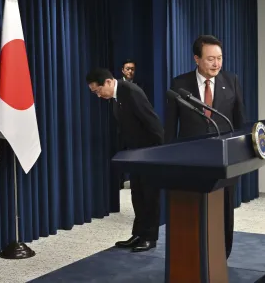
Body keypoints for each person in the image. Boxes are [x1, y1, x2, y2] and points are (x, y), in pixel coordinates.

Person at [164, 35, 246, 258]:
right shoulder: (180, 84)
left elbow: (239, 122)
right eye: (210, 59)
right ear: (196, 59)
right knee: (192, 209)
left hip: (224, 161)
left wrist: (240, 156)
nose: (216, 64)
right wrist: (168, 158)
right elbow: (171, 126)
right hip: (191, 161)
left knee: (224, 210)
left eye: (219, 58)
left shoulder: (231, 81)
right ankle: (192, 254)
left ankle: (222, 254)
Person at [86, 67, 164, 252]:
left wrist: (160, 152)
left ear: (108, 82)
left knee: (150, 196)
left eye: (97, 91)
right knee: (137, 194)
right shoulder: (117, 97)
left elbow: (152, 122)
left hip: (150, 152)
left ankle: (150, 237)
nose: (98, 95)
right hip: (135, 154)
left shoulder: (130, 91)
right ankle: (138, 234)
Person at [114, 59, 137, 189]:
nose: (130, 71)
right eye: (128, 68)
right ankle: (120, 181)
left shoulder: (139, 86)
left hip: (134, 128)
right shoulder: (117, 85)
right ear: (123, 70)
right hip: (119, 127)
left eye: (132, 69)